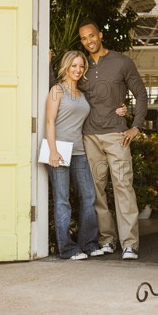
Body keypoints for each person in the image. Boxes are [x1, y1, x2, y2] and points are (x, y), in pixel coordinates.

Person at [78, 20, 148, 260]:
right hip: (90, 136)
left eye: (91, 36)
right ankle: (107, 239)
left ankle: (130, 243)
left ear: (100, 35)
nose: (89, 41)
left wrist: (135, 126)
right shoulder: (81, 66)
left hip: (117, 135)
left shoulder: (121, 62)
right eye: (84, 39)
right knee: (97, 190)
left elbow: (141, 93)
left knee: (122, 186)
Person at [46, 50, 125, 260]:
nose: (78, 70)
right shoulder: (57, 90)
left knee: (89, 197)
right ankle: (67, 249)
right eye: (74, 66)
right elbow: (49, 121)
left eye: (81, 66)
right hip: (60, 149)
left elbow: (102, 103)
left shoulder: (82, 94)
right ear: (66, 66)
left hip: (79, 151)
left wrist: (121, 109)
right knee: (63, 200)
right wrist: (53, 151)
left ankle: (88, 244)